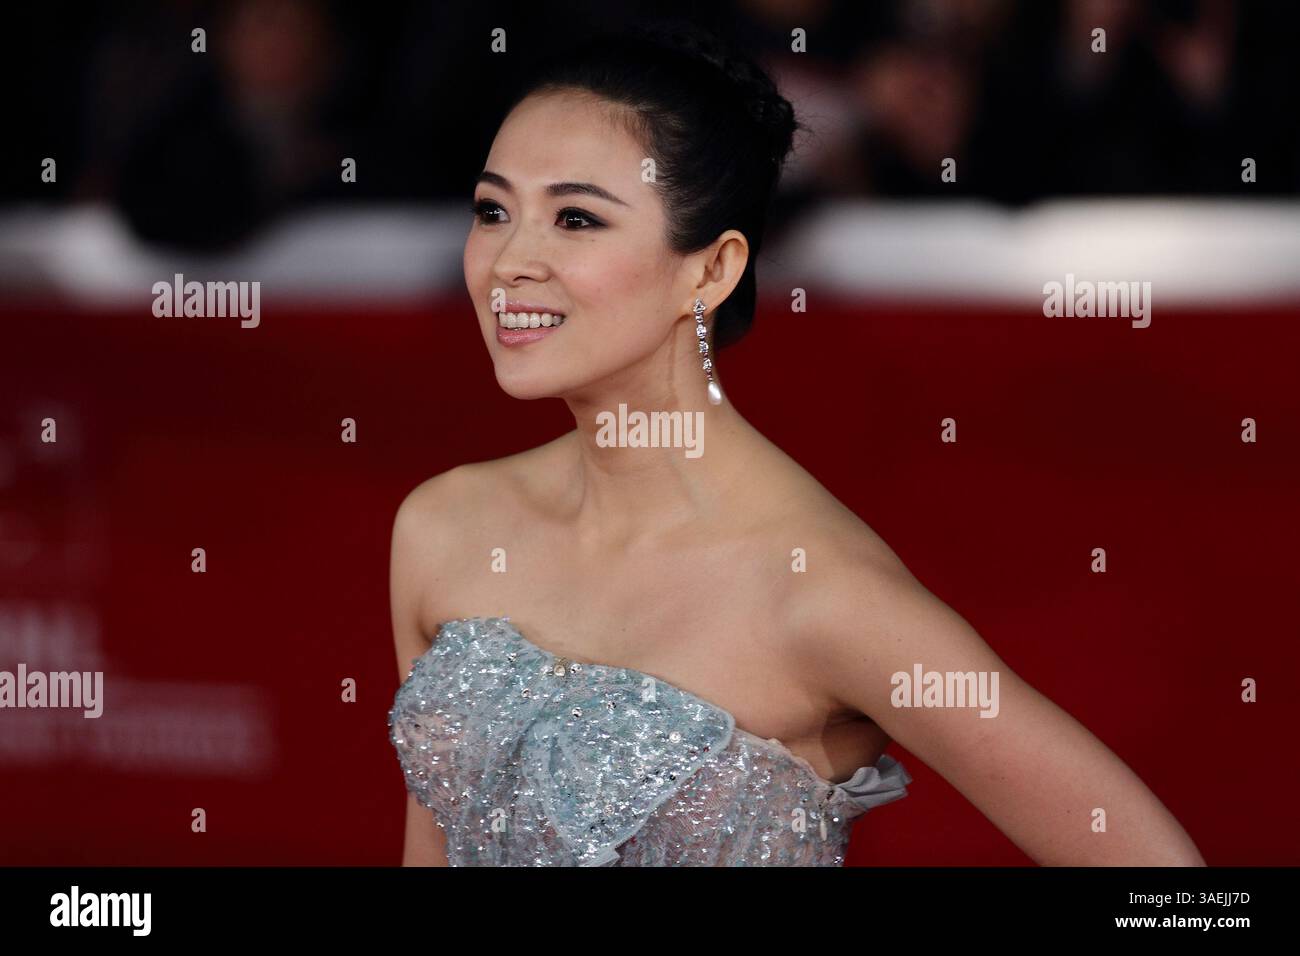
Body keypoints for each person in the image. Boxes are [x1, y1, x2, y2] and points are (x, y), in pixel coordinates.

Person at [386, 20, 1205, 867]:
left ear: (711, 269)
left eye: (577, 219)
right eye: (493, 210)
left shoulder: (822, 592)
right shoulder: (443, 528)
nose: (510, 260)